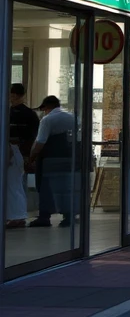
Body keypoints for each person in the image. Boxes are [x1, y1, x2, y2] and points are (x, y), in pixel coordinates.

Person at [28, 96, 76, 228]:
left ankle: (44, 216)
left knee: (45, 188)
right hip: (69, 158)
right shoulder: (72, 117)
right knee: (64, 188)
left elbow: (40, 142)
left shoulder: (48, 119)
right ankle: (68, 215)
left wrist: (31, 157)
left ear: (46, 107)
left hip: (49, 160)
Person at [7, 84, 38, 229]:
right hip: (14, 150)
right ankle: (15, 215)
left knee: (14, 184)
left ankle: (17, 216)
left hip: (16, 151)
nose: (12, 99)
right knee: (14, 185)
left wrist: (27, 155)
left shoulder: (26, 114)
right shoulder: (12, 112)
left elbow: (32, 137)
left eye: (13, 96)